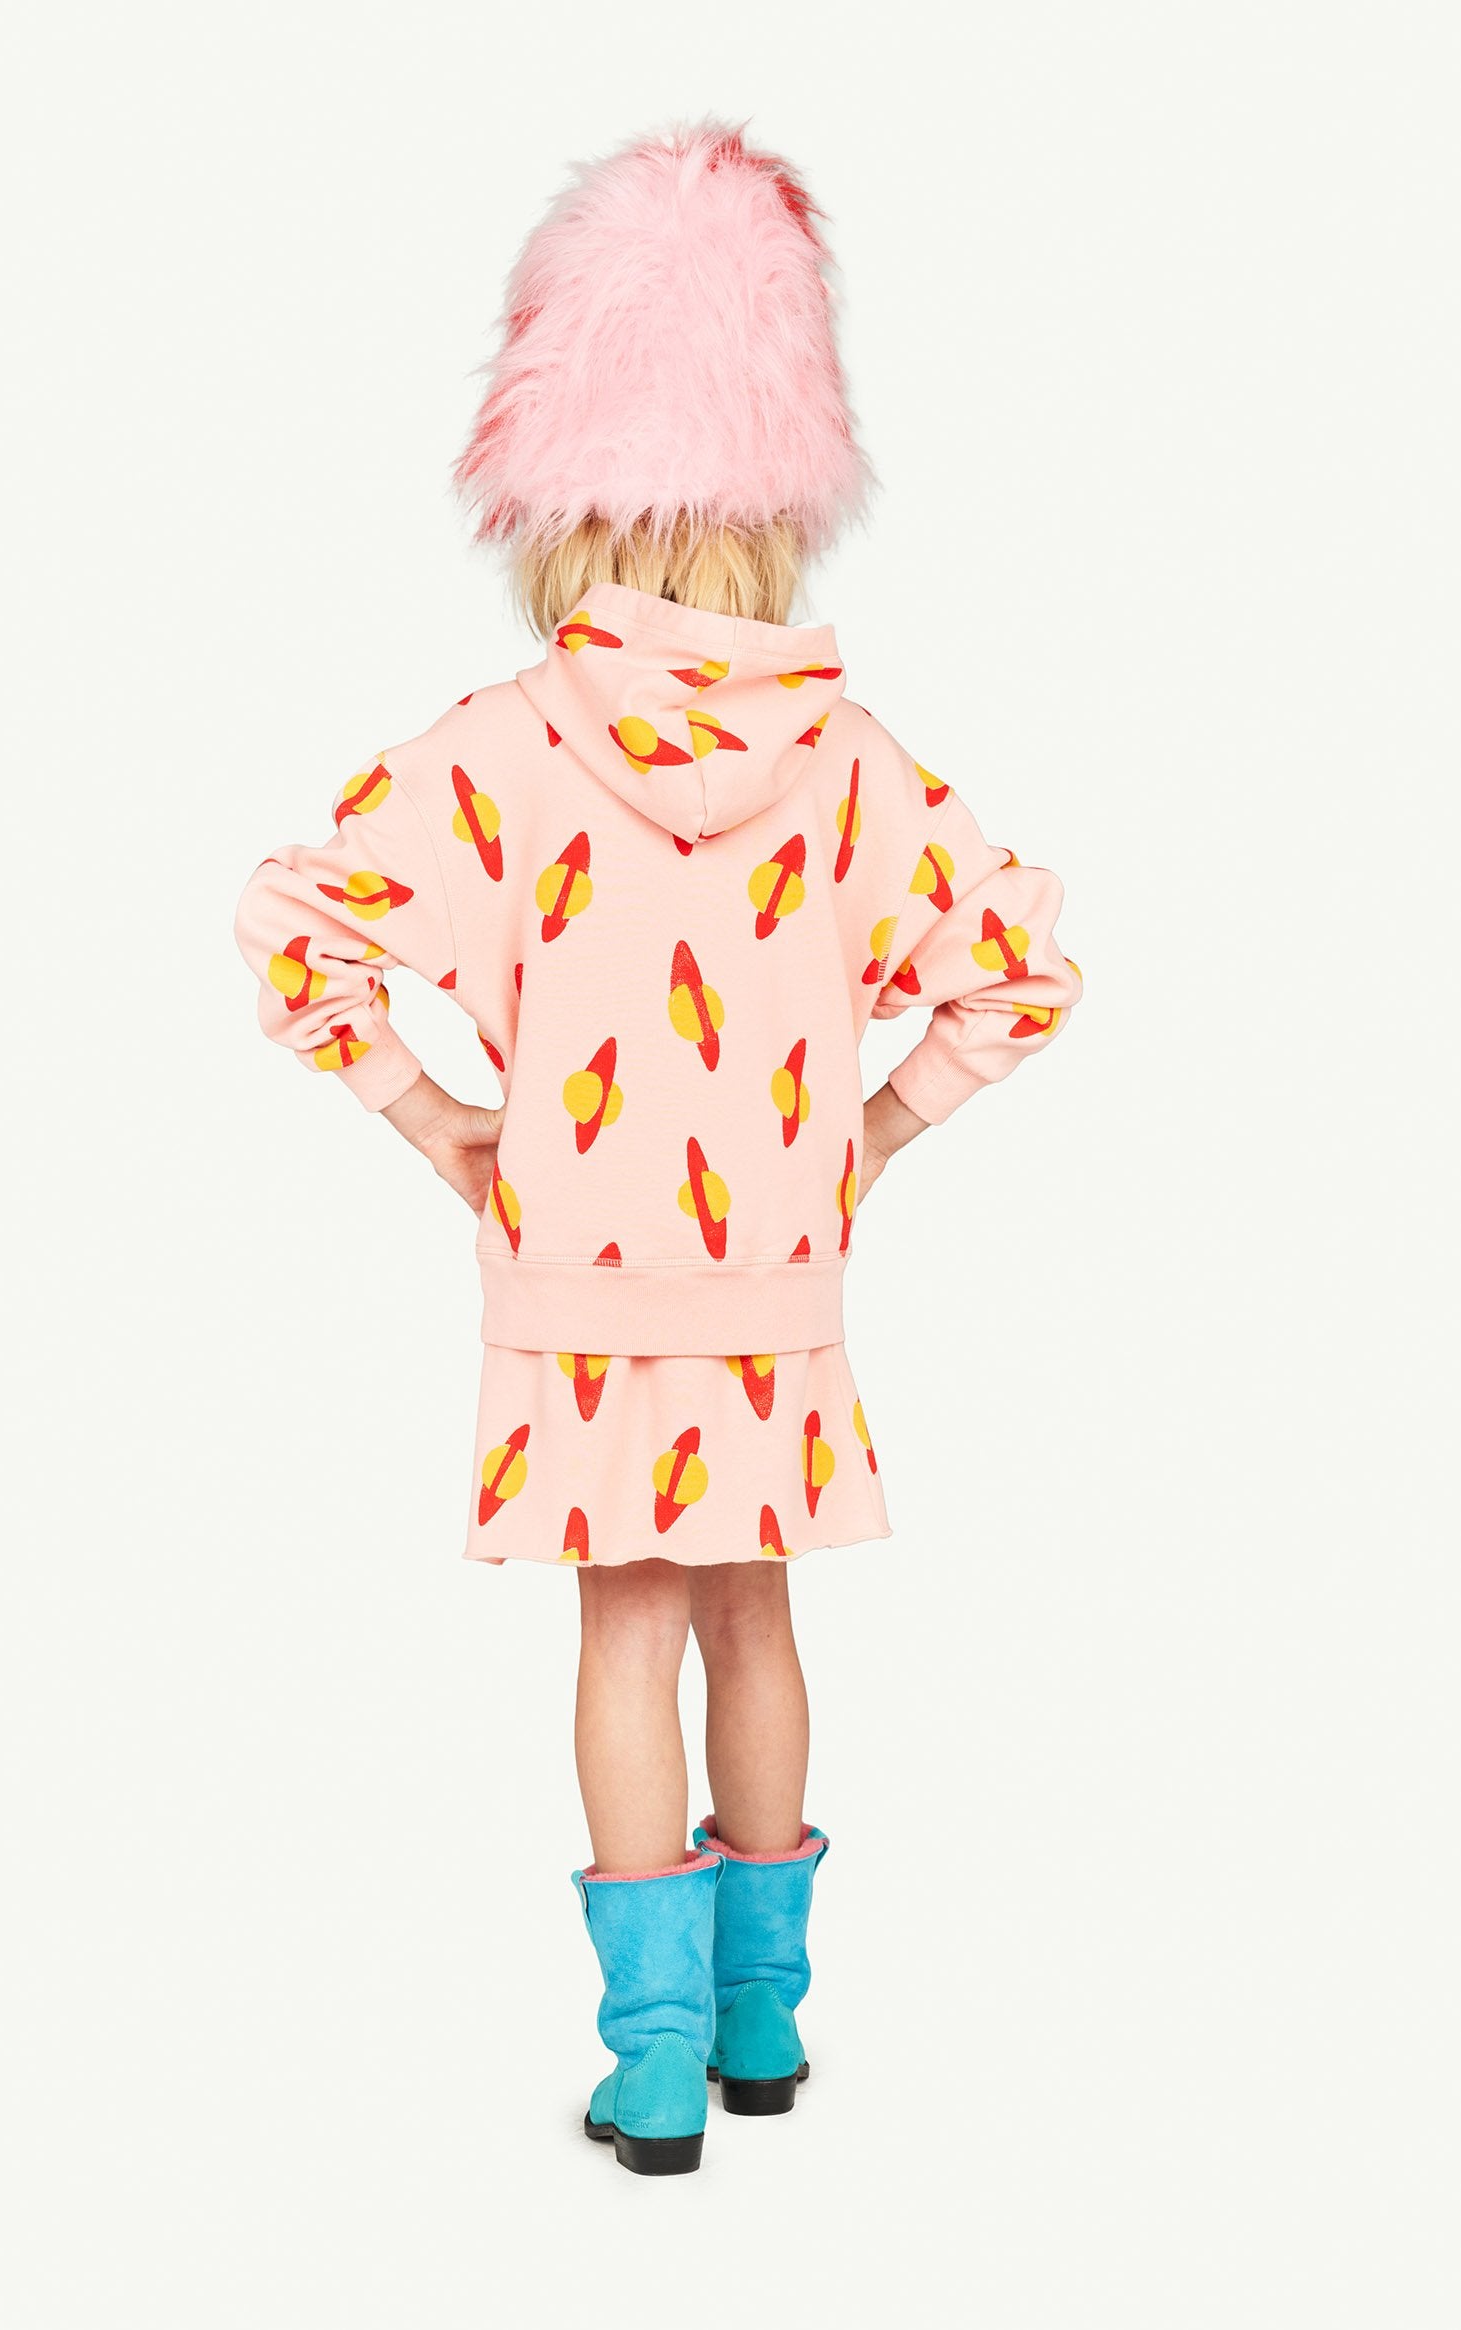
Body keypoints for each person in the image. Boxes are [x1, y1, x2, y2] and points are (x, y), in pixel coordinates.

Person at [233, 119, 1082, 2177]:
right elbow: (1021, 967)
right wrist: (868, 1131)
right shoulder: (855, 763)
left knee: (625, 1624)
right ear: (784, 507)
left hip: (580, 1292)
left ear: (553, 504)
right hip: (776, 1283)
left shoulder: (500, 750)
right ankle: (768, 2022)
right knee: (754, 1612)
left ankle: (651, 2060)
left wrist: (443, 1116)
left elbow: (296, 921)